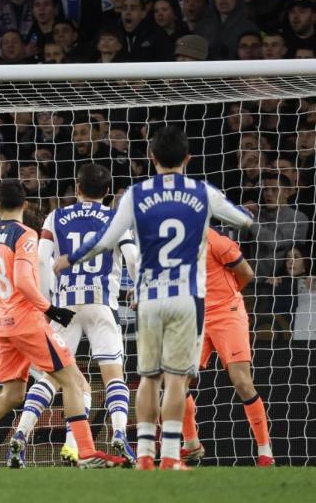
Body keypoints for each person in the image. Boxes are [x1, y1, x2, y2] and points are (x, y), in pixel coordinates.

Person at [56, 126, 254, 470]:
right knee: (177, 379)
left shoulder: (136, 194)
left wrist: (69, 259)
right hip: (186, 297)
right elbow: (244, 221)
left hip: (149, 295)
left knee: (149, 378)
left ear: (152, 158)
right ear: (188, 159)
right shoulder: (201, 192)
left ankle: (146, 454)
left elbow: (105, 241)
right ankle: (171, 457)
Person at [0, 180, 125, 469]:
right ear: (25, 206)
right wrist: (50, 309)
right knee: (74, 381)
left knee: (12, 394)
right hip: (27, 322)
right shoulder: (26, 234)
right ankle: (87, 452)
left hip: (1, 325)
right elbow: (25, 281)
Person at [9, 165, 139, 467]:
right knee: (113, 376)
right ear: (107, 193)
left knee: (51, 378)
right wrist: (139, 289)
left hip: (64, 306)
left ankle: (21, 434)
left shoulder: (56, 217)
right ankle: (119, 434)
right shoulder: (117, 219)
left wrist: (45, 303)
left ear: (77, 188)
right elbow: (132, 258)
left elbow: (41, 259)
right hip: (101, 303)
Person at [180, 228, 274, 467]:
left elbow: (246, 274)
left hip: (227, 313)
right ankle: (191, 444)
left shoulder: (217, 241)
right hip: (195, 317)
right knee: (175, 380)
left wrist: (226, 299)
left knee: (242, 381)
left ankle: (265, 452)